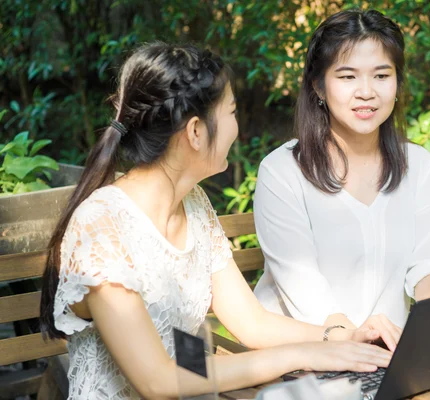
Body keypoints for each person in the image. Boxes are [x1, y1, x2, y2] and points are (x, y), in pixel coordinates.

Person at [39, 42, 392, 400]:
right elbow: (157, 381)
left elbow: (250, 322)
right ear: (195, 132)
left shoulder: (194, 205)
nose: (237, 128)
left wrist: (338, 337)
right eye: (233, 112)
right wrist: (304, 355)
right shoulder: (101, 226)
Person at [253, 9, 430, 335]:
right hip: (303, 356)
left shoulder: (418, 165)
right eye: (347, 77)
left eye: (381, 75)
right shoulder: (281, 172)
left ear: (397, 83)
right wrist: (354, 340)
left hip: (386, 357)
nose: (367, 91)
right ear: (318, 88)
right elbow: (303, 287)